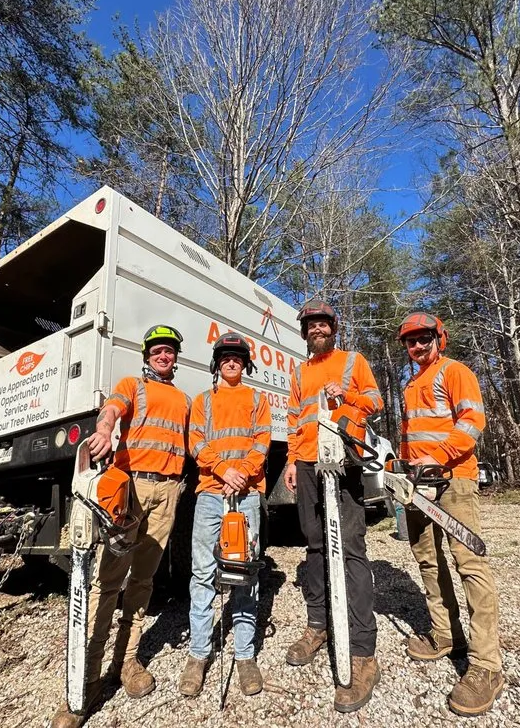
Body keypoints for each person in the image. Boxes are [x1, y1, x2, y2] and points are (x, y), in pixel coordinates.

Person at [51, 325, 190, 728]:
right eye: (157, 350)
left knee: (143, 580)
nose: (164, 356)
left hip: (168, 492)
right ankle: (85, 677)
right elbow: (111, 410)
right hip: (130, 489)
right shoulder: (132, 385)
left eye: (169, 351)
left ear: (175, 358)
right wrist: (104, 428)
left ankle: (125, 662)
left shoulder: (183, 399)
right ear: (147, 356)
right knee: (108, 580)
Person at [396, 310, 503, 717]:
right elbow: (412, 436)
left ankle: (487, 664)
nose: (417, 345)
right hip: (417, 483)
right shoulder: (410, 385)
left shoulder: (455, 371)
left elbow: (473, 421)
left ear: (439, 339)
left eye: (423, 338)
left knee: (469, 564)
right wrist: (402, 468)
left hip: (454, 479)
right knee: (427, 559)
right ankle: (445, 633)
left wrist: (439, 457)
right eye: (411, 341)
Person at [282, 300, 384, 713]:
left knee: (351, 549)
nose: (317, 330)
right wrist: (292, 460)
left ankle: (362, 652)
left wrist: (349, 395)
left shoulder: (352, 361)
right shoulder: (299, 372)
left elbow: (375, 401)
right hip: (308, 463)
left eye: (323, 324)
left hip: (344, 458)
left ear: (333, 328)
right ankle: (318, 625)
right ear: (305, 332)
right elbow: (294, 419)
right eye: (311, 325)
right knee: (314, 545)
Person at [178, 332, 271, 698]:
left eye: (237, 357)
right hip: (210, 494)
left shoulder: (257, 399)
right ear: (217, 363)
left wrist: (243, 473)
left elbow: (262, 441)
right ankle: (198, 654)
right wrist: (223, 470)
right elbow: (196, 442)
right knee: (203, 573)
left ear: (245, 364)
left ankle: (245, 656)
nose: (231, 362)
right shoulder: (203, 400)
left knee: (245, 572)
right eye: (225, 357)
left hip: (247, 494)